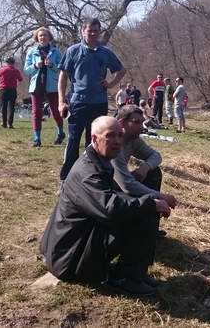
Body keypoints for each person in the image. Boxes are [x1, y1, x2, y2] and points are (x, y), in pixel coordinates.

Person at [39, 116, 172, 296]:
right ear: (95, 139)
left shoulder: (98, 161)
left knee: (141, 206)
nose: (118, 141)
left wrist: (148, 202)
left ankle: (136, 274)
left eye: (119, 135)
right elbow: (111, 209)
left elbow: (109, 199)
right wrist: (151, 203)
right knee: (143, 211)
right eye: (110, 136)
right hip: (69, 260)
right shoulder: (88, 172)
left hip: (75, 244)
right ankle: (125, 279)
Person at [58, 17, 126, 181]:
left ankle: (93, 177)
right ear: (83, 31)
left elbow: (121, 70)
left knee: (95, 142)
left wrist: (110, 84)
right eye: (90, 31)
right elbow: (63, 76)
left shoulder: (105, 52)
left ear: (99, 32)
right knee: (73, 140)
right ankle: (66, 179)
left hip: (99, 103)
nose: (93, 34)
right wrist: (61, 101)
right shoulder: (73, 51)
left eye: (96, 31)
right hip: (78, 102)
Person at [113, 105, 178, 237]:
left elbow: (156, 156)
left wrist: (145, 167)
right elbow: (127, 185)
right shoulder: (112, 144)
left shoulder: (133, 140)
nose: (142, 127)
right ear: (122, 123)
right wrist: (161, 197)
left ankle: (150, 228)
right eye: (136, 122)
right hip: (103, 196)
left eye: (142, 122)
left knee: (154, 172)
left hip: (118, 186)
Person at [24, 27, 66, 147]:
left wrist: (52, 65)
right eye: (40, 36)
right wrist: (35, 66)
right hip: (36, 85)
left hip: (52, 85)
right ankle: (37, 139)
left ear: (49, 37)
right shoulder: (31, 51)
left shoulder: (56, 51)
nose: (42, 37)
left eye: (45, 35)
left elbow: (61, 68)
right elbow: (26, 70)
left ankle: (61, 132)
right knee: (36, 112)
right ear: (37, 38)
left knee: (55, 111)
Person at [0, 57, 24, 129]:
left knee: (4, 107)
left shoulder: (2, 69)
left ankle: (4, 123)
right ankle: (10, 124)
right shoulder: (15, 70)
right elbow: (20, 79)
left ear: (6, 62)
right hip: (12, 90)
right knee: (12, 107)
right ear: (13, 63)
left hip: (3, 89)